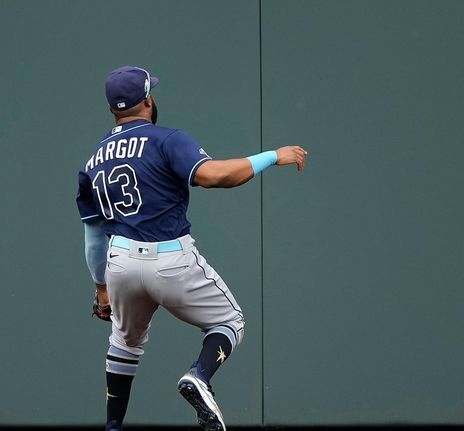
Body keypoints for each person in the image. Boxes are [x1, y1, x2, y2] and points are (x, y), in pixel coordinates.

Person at [75, 66, 307, 431]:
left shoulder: (93, 161)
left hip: (118, 262)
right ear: (148, 99)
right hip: (169, 258)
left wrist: (101, 288)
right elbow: (216, 176)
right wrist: (272, 156)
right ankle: (199, 375)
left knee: (124, 343)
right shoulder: (166, 139)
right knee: (230, 321)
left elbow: (93, 237)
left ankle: (113, 428)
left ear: (112, 110)